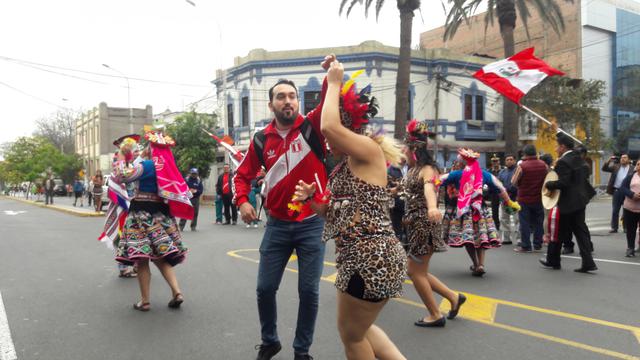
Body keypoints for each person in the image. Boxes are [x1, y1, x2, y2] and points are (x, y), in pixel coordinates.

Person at [294, 59, 406, 359]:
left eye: (331, 136)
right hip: (362, 258)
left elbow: (328, 125)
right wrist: (311, 201)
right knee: (362, 329)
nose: (327, 140)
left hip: (370, 258)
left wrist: (333, 82)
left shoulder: (368, 151)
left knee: (352, 336)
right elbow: (333, 215)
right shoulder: (345, 168)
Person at [234, 55, 335, 360]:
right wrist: (241, 202)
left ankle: (301, 351)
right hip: (277, 225)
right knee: (265, 289)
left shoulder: (312, 127)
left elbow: (331, 95)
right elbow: (242, 176)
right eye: (281, 97)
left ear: (298, 102)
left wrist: (331, 74)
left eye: (292, 96)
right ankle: (270, 340)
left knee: (310, 292)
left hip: (311, 224)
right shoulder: (260, 140)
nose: (288, 101)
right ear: (272, 105)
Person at [112, 132, 193, 311]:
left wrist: (120, 158)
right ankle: (177, 292)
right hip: (161, 216)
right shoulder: (169, 168)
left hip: (141, 215)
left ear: (151, 149)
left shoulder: (147, 165)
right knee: (161, 258)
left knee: (142, 260)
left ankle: (145, 300)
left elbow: (122, 176)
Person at [402, 119, 465, 328]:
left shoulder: (427, 169)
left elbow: (429, 189)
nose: (402, 153)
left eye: (404, 149)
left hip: (423, 225)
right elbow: (411, 191)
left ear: (413, 150)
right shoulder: (413, 169)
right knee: (419, 272)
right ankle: (453, 297)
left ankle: (435, 314)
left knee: (414, 272)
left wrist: (431, 207)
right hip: (415, 226)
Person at [441, 148, 520, 276]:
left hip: (463, 211)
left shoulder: (456, 174)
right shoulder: (485, 174)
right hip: (479, 209)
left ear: (462, 163)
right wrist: (509, 202)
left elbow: (438, 180)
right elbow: (500, 188)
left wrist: (429, 183)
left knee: (469, 239)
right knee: (480, 237)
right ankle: (481, 264)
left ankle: (476, 264)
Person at [540, 133, 597, 273]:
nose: (555, 148)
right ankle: (588, 262)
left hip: (567, 202)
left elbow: (563, 183)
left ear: (563, 147)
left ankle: (553, 261)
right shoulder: (579, 159)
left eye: (557, 146)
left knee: (558, 231)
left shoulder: (563, 162)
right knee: (580, 231)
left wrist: (549, 184)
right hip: (580, 200)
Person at [511, 144, 548, 252]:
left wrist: (520, 185)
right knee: (538, 222)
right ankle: (537, 244)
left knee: (525, 223)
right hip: (538, 198)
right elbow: (547, 180)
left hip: (524, 199)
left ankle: (526, 245)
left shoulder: (522, 166)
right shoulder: (543, 165)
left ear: (525, 154)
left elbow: (513, 182)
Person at [602, 153, 631, 233]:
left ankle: (626, 227)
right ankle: (614, 228)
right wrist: (609, 160)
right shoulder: (616, 166)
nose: (623, 159)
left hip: (627, 192)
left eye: (625, 158)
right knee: (615, 210)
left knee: (626, 211)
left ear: (628, 160)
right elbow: (604, 169)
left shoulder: (632, 168)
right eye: (622, 158)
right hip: (617, 191)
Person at [619, 160, 640, 257]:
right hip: (630, 208)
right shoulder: (630, 176)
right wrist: (632, 195)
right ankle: (630, 248)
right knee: (631, 229)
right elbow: (622, 188)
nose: (639, 166)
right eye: (638, 164)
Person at [497, 155, 519, 245]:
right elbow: (498, 184)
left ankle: (519, 239)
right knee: (504, 219)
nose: (509, 161)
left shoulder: (517, 170)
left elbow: (518, 184)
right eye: (507, 160)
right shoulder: (502, 172)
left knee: (517, 219)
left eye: (511, 159)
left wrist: (510, 190)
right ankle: (506, 238)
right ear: (505, 162)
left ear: (514, 161)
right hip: (505, 199)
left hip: (515, 199)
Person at [488, 154, 503, 231]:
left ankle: (506, 227)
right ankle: (496, 226)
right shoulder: (489, 171)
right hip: (494, 193)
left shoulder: (503, 170)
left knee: (505, 211)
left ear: (499, 161)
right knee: (494, 211)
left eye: (496, 161)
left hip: (503, 193)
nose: (495, 162)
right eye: (493, 161)